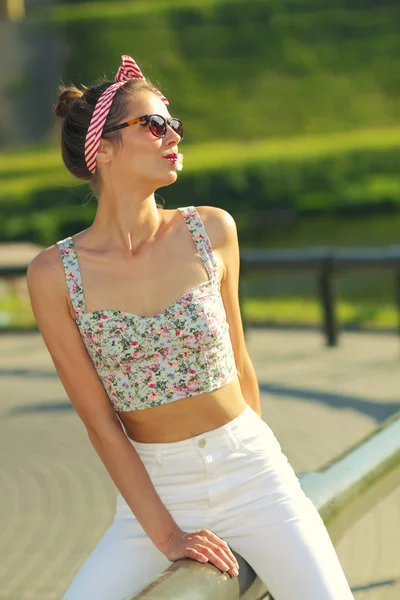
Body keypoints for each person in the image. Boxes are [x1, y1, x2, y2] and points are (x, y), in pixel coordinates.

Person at [27, 55, 354, 600]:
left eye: (173, 124)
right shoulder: (54, 275)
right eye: (153, 125)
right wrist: (168, 534)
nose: (172, 134)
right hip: (156, 493)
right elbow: (102, 425)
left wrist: (257, 468)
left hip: (253, 476)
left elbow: (241, 364)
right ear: (102, 149)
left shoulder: (212, 230)